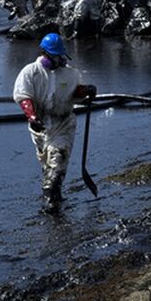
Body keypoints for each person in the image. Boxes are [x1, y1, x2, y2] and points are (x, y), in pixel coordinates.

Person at [12, 33, 96, 212]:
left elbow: (76, 92)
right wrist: (32, 117)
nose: (59, 60)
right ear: (45, 53)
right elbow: (23, 96)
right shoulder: (31, 73)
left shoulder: (70, 73)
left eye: (60, 56)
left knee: (58, 157)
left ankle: (50, 202)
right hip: (40, 126)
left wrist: (86, 90)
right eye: (55, 56)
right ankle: (55, 192)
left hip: (63, 123)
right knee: (47, 163)